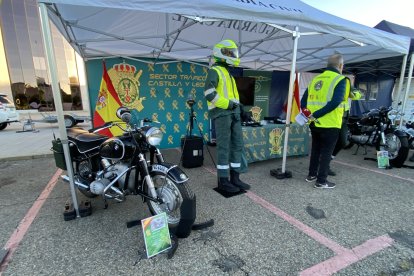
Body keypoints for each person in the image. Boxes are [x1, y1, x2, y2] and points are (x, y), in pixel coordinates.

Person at [203, 39, 250, 193]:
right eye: (230, 53)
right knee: (224, 147)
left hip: (233, 114)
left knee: (237, 146)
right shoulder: (215, 71)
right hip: (222, 113)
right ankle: (223, 180)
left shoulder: (227, 72)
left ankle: (235, 178)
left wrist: (241, 108)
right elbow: (209, 94)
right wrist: (229, 105)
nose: (233, 55)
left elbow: (233, 97)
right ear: (221, 53)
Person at [300, 53, 347, 189]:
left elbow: (303, 101)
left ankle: (311, 175)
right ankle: (321, 181)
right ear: (340, 65)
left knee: (315, 149)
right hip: (330, 123)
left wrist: (309, 115)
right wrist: (316, 115)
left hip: (314, 123)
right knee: (326, 152)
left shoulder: (315, 79)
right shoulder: (340, 79)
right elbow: (336, 102)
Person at [328, 77, 362, 175]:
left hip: (343, 118)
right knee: (328, 143)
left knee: (343, 142)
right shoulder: (328, 81)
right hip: (331, 118)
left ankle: (328, 161)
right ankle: (323, 166)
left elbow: (356, 95)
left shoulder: (345, 81)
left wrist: (352, 91)